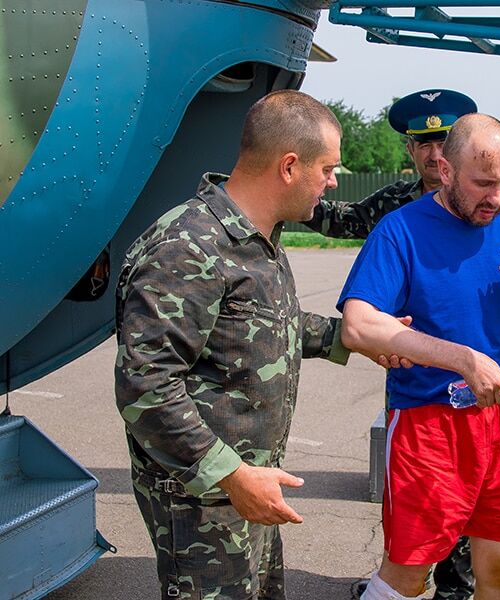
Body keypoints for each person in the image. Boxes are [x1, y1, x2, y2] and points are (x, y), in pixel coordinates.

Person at [114, 90, 408, 600]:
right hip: (203, 496)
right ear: (289, 166)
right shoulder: (190, 247)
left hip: (245, 486)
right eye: (328, 169)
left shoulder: (254, 237)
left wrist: (353, 338)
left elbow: (260, 323)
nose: (334, 182)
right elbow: (147, 384)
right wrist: (230, 475)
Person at [338, 114, 500, 600]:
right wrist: (463, 359)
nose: (497, 198)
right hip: (429, 424)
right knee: (410, 573)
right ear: (444, 171)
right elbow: (358, 325)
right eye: (483, 183)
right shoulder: (400, 230)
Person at [303, 88, 479, 600]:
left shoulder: (482, 201)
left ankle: (456, 586)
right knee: (411, 488)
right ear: (409, 151)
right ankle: (404, 578)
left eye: (442, 140)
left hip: (469, 364)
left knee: (467, 489)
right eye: (420, 144)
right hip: (407, 363)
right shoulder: (395, 204)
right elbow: (341, 219)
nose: (432, 153)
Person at [304, 89, 477, 239]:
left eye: (442, 144)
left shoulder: (478, 198)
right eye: (425, 146)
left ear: (457, 148)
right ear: (410, 150)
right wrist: (295, 193)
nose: (435, 155)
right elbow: (338, 219)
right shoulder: (393, 201)